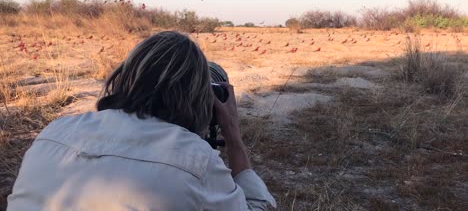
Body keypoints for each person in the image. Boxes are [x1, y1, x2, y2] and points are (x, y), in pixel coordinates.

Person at [7, 31, 276, 210]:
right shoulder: (196, 161)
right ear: (199, 97)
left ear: (125, 75)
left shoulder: (54, 131)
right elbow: (257, 205)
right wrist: (233, 134)